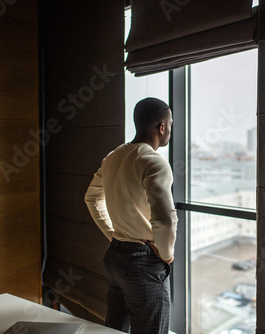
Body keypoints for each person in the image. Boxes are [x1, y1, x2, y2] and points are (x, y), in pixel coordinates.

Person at [84, 97, 177, 334]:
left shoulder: (113, 156)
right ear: (162, 127)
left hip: (115, 258)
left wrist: (115, 234)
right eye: (171, 124)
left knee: (115, 330)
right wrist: (166, 255)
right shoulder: (154, 162)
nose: (170, 130)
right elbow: (164, 218)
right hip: (143, 264)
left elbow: (92, 199)